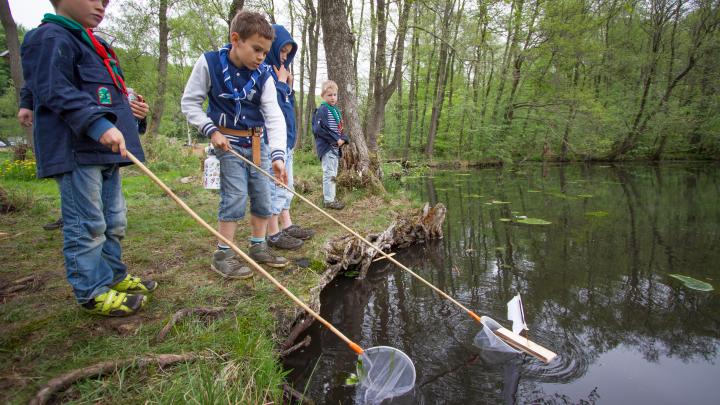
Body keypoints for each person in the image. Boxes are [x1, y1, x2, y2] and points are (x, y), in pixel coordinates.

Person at [20, 0, 157, 316]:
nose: (102, 6)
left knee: (114, 219)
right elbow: (51, 85)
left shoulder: (97, 45)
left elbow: (110, 93)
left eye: (107, 2)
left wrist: (133, 113)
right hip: (76, 150)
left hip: (104, 151)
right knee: (87, 223)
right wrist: (96, 123)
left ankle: (113, 276)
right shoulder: (50, 36)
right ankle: (91, 291)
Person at [181, 10, 289, 280]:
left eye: (265, 52)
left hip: (256, 143)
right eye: (256, 49)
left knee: (264, 196)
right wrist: (210, 130)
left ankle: (258, 246)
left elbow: (274, 116)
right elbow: (190, 103)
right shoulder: (209, 64)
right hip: (226, 142)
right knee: (235, 197)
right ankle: (223, 254)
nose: (261, 57)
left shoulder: (264, 75)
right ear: (235, 39)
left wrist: (277, 155)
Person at [17, 85, 150, 231]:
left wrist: (135, 112)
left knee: (115, 223)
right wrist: (27, 102)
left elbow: (108, 93)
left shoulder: (108, 67)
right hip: (77, 147)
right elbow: (47, 78)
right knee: (88, 227)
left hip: (108, 150)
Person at [263, 24, 314, 251]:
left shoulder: (281, 73)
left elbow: (288, 107)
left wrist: (289, 87)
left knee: (288, 185)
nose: (284, 56)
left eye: (288, 52)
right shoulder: (265, 72)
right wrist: (282, 84)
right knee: (276, 186)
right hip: (273, 142)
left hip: (287, 140)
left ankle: (287, 224)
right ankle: (273, 233)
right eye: (282, 51)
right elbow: (272, 109)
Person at [312, 80, 348, 210]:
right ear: (323, 96)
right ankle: (328, 201)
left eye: (334, 95)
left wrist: (343, 139)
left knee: (333, 173)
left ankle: (331, 198)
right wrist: (334, 140)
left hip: (335, 148)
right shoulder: (322, 110)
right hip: (327, 148)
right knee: (329, 173)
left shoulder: (336, 111)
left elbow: (340, 129)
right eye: (329, 95)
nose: (333, 97)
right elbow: (318, 130)